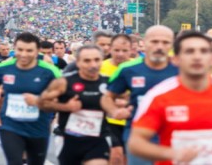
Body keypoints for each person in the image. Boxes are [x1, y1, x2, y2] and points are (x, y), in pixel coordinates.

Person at [129, 31, 212, 165]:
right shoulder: (158, 96)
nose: (197, 57)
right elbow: (136, 142)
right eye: (189, 51)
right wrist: (172, 153)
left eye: (203, 51)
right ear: (175, 59)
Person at [101, 25, 178, 165]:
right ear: (144, 43)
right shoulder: (129, 69)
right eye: (154, 42)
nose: (159, 46)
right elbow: (107, 97)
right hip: (138, 135)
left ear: (172, 45)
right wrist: (114, 111)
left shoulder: (182, 69)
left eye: (165, 42)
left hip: (173, 135)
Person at [0, 32, 61, 165]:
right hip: (10, 125)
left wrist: (39, 101)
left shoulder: (50, 71)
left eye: (29, 50)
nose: (24, 54)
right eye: (20, 50)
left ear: (38, 51)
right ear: (14, 48)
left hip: (38, 127)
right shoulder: (2, 68)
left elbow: (59, 97)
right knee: (15, 161)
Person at [39, 45, 110, 165]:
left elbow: (123, 104)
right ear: (78, 62)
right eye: (87, 61)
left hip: (98, 138)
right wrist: (65, 107)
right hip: (69, 139)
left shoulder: (109, 82)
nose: (93, 65)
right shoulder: (64, 82)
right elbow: (42, 102)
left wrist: (118, 109)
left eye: (97, 60)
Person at [100, 34, 133, 164]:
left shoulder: (137, 67)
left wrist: (127, 100)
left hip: (130, 121)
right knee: (116, 155)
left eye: (124, 51)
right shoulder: (100, 67)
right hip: (107, 121)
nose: (120, 54)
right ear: (110, 49)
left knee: (125, 159)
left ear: (131, 50)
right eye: (117, 50)